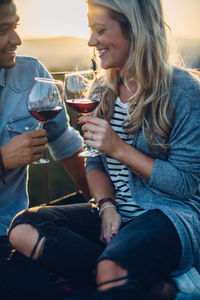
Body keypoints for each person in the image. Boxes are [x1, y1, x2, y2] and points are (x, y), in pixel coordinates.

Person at [8, 0, 200, 299]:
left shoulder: (183, 91)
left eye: (100, 30)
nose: (91, 41)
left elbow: (186, 186)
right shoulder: (101, 90)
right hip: (118, 211)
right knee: (22, 228)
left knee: (107, 268)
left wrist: (120, 149)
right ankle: (157, 288)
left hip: (168, 215)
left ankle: (118, 272)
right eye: (90, 31)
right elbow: (94, 162)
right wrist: (107, 205)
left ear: (135, 30)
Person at [0, 0, 90, 299]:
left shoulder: (30, 73)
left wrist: (99, 202)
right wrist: (2, 159)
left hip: (15, 226)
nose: (17, 39)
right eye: (4, 30)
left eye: (15, 26)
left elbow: (63, 139)